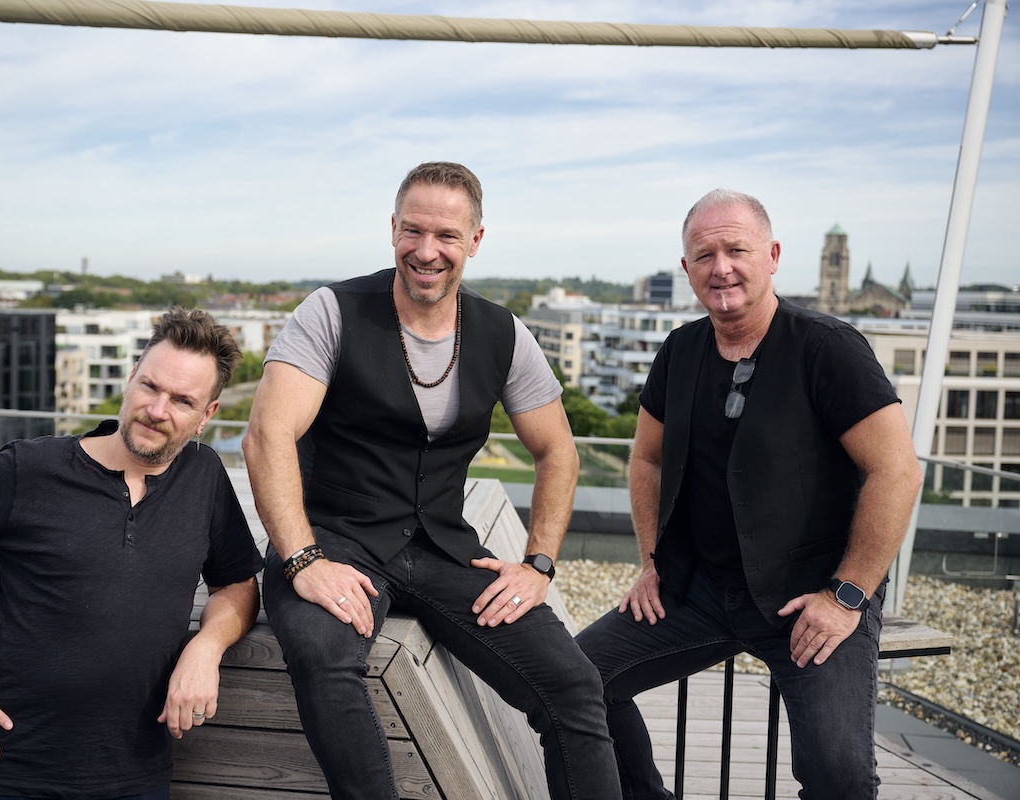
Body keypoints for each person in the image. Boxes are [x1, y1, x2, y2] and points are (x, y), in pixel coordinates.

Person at [242, 161, 621, 799]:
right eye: (412, 231)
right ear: (392, 228)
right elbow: (266, 435)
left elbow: (557, 450)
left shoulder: (503, 332)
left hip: (444, 546)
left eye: (446, 235)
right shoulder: (332, 311)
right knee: (325, 659)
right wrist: (302, 559)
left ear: (475, 240)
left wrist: (539, 565)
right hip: (335, 539)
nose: (426, 251)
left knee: (576, 686)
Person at [575, 189, 923, 798]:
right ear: (686, 269)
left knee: (838, 775)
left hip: (811, 599)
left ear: (773, 255)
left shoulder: (828, 347)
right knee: (577, 680)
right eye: (704, 254)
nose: (722, 267)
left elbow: (896, 471)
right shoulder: (680, 350)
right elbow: (648, 460)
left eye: (737, 248)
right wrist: (654, 562)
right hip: (701, 589)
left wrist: (845, 597)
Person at [0, 307, 264, 800]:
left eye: (182, 400)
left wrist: (207, 647)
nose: (157, 410)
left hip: (136, 775)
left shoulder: (204, 477)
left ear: (207, 415)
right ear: (129, 379)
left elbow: (238, 582)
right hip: (8, 769)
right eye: (149, 387)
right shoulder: (30, 468)